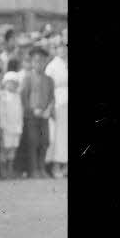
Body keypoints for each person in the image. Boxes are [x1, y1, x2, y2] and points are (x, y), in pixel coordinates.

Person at [18, 45, 55, 178]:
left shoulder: (49, 80)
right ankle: (33, 170)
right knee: (33, 142)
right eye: (36, 61)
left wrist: (48, 110)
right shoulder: (28, 78)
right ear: (32, 62)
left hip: (44, 116)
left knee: (44, 141)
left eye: (42, 61)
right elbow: (23, 97)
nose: (39, 64)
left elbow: (52, 97)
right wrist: (32, 110)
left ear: (45, 62)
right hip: (31, 116)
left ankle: (41, 167)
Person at [46, 39, 69, 177]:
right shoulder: (52, 66)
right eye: (60, 48)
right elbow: (48, 88)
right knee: (58, 135)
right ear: (56, 49)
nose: (63, 50)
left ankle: (65, 165)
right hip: (58, 102)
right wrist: (51, 106)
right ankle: (55, 166)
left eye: (65, 48)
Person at [0, 71, 24, 178]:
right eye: (10, 82)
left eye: (14, 83)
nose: (12, 85)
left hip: (16, 127)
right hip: (6, 127)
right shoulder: (2, 96)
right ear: (5, 83)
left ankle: (10, 169)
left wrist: (20, 127)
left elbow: (20, 112)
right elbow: (1, 112)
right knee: (5, 149)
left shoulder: (18, 97)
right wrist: (1, 127)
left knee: (13, 149)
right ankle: (2, 170)